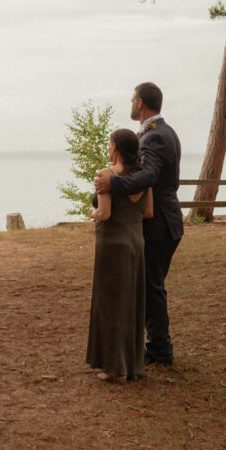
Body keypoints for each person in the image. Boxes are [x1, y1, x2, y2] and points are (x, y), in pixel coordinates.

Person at [95, 82, 183, 366]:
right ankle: (156, 346)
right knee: (152, 286)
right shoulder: (165, 132)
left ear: (141, 102)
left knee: (151, 288)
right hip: (166, 220)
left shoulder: (155, 137)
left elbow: (150, 176)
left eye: (132, 99)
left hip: (160, 223)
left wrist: (113, 183)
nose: (130, 104)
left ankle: (160, 351)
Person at [87, 129, 153, 383]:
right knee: (132, 302)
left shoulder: (106, 175)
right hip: (136, 242)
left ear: (115, 147)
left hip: (113, 244)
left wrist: (91, 212)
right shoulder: (143, 177)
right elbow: (148, 212)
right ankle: (133, 364)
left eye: (109, 143)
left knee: (111, 304)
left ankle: (114, 367)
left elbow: (104, 214)